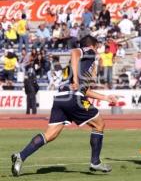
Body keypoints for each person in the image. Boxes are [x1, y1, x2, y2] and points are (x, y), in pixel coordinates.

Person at [11, 35, 119, 177]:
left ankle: (21, 155)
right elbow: (75, 52)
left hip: (61, 98)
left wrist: (105, 97)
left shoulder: (80, 65)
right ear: (92, 45)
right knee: (99, 125)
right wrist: (75, 79)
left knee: (50, 135)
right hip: (73, 97)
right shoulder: (89, 52)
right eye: (97, 46)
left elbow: (85, 90)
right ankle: (95, 162)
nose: (98, 50)